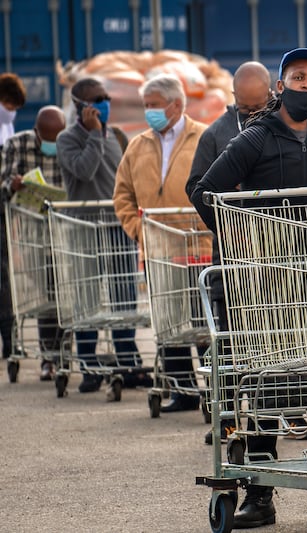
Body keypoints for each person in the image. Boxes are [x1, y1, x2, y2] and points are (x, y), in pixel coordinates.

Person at [190, 47, 307, 529]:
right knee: (263, 385)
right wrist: (242, 244)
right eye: (298, 77)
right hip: (262, 287)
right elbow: (203, 191)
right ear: (280, 87)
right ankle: (259, 497)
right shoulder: (255, 140)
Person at [186, 60, 272, 442]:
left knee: (274, 343)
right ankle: (226, 418)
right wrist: (224, 217)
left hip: (275, 260)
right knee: (230, 343)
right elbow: (196, 187)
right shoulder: (216, 134)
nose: (254, 114)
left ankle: (272, 416)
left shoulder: (281, 127)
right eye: (247, 107)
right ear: (234, 98)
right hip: (232, 260)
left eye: (260, 106)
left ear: (272, 94)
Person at [113, 73, 207, 411]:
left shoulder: (204, 138)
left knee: (202, 325)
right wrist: (139, 230)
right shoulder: (138, 144)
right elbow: (122, 193)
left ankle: (212, 392)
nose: (148, 112)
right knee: (169, 323)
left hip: (198, 248)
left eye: (153, 105)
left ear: (176, 105)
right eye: (146, 105)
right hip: (157, 251)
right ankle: (182, 390)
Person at [56, 77, 143, 393]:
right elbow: (83, 171)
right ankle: (90, 368)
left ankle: (127, 362)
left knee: (124, 295)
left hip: (117, 226)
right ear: (81, 107)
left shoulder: (117, 136)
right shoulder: (68, 139)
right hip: (85, 229)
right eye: (97, 99)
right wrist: (93, 135)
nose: (104, 103)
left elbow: (125, 180)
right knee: (87, 297)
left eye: (106, 97)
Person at [0, 105, 67, 380]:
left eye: (58, 138)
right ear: (37, 132)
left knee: (63, 296)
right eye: (49, 138)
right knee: (45, 297)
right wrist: (13, 185)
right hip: (31, 234)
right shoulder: (17, 144)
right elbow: (2, 183)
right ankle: (49, 358)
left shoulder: (68, 144)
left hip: (63, 232)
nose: (53, 144)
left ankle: (62, 354)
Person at [0, 72, 26, 363]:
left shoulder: (6, 130)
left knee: (5, 278)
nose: (11, 112)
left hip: (3, 210)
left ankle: (9, 339)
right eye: (7, 104)